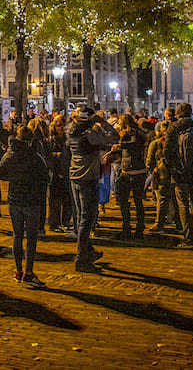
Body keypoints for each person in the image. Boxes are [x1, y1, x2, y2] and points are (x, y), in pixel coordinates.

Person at [0, 126, 50, 288]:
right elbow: (45, 178)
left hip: (15, 199)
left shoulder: (9, 155)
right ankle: (28, 272)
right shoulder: (35, 157)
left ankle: (18, 270)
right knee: (31, 238)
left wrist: (15, 178)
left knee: (17, 235)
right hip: (31, 200)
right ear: (30, 141)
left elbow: (1, 174)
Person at [67, 106, 117, 273]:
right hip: (88, 176)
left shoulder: (71, 131)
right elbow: (114, 138)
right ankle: (81, 258)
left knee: (80, 216)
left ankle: (88, 251)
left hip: (74, 175)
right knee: (86, 219)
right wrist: (103, 122)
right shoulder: (90, 135)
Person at [164, 102, 193, 249]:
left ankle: (188, 237)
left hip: (181, 174)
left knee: (183, 204)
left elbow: (167, 152)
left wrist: (172, 168)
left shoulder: (173, 127)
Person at [114, 114, 147, 240]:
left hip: (132, 171)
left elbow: (133, 145)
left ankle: (130, 228)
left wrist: (120, 145)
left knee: (128, 201)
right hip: (134, 170)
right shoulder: (136, 133)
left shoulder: (133, 133)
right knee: (135, 201)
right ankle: (134, 227)